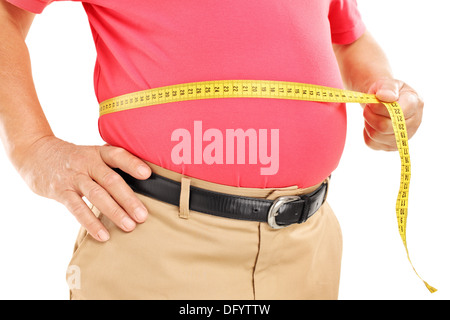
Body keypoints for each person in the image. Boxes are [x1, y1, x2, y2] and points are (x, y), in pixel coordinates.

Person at [0, 0, 424, 300]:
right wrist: (31, 148)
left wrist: (383, 89)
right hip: (159, 238)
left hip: (308, 245)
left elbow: (349, 38)